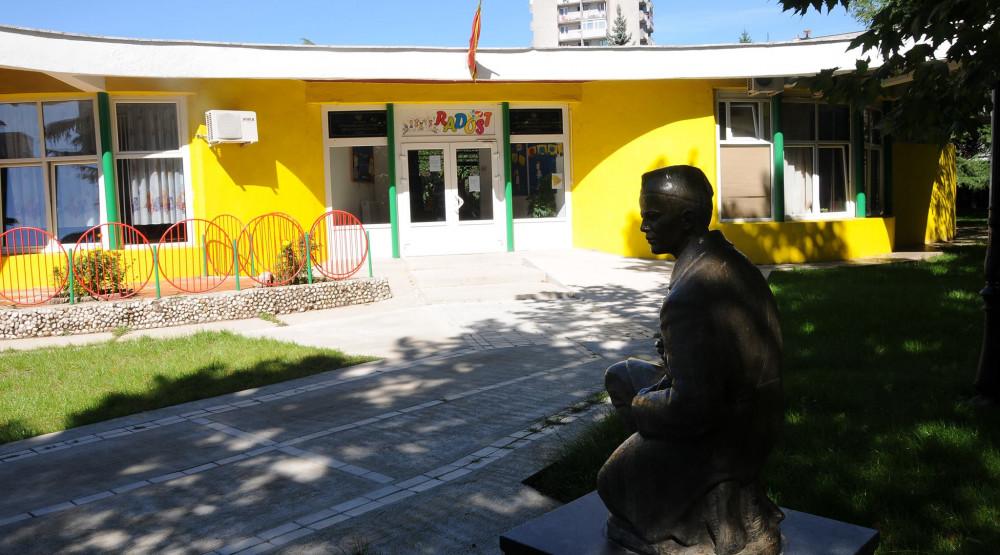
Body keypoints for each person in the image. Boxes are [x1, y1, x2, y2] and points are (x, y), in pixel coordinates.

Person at [597, 165, 784, 555]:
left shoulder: (689, 296)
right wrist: (674, 357)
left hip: (724, 437)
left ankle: (693, 509)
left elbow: (692, 409)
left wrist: (641, 403)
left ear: (685, 220)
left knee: (611, 483)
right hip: (756, 417)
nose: (644, 226)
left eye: (652, 217)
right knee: (621, 375)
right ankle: (685, 488)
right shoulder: (732, 261)